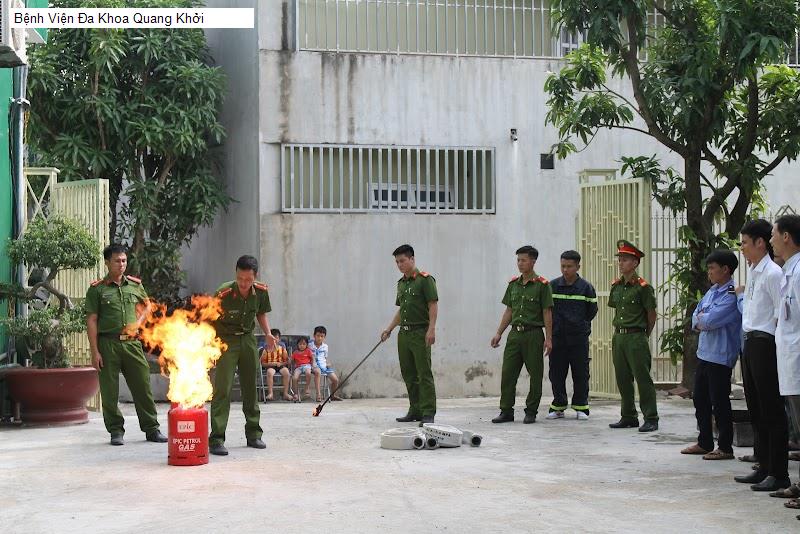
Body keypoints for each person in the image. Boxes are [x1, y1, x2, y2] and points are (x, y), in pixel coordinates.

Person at [85, 243, 167, 446]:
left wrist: (138, 323)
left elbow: (147, 306)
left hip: (132, 345)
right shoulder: (97, 290)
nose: (121, 265)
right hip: (108, 344)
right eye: (117, 261)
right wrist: (95, 352)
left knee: (143, 387)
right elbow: (92, 320)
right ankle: (115, 430)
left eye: (124, 260)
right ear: (107, 263)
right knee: (110, 391)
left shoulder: (135, 285)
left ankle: (151, 428)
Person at [733, 219, 790, 491]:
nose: (742, 248)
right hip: (750, 342)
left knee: (771, 410)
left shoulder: (773, 273)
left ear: (760, 242)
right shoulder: (755, 271)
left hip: (766, 344)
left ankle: (779, 472)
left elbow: (780, 316)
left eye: (745, 243)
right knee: (756, 409)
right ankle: (764, 466)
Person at [209, 255, 275, 457]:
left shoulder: (261, 292)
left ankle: (254, 434)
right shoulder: (224, 292)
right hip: (226, 341)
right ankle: (217, 438)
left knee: (250, 388)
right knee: (223, 389)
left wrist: (268, 334)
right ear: (236, 274)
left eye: (248, 280)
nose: (244, 284)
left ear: (255, 277)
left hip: (247, 340)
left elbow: (261, 313)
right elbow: (209, 318)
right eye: (240, 279)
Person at [680, 250, 741, 460]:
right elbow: (696, 316)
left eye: (712, 268)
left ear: (725, 269)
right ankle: (704, 441)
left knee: (720, 401)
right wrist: (701, 320)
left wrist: (702, 320)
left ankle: (725, 446)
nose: (709, 272)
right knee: (700, 399)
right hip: (705, 353)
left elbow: (709, 321)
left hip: (721, 355)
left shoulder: (731, 294)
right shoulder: (712, 291)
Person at [490, 245, 554, 424]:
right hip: (514, 335)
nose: (520, 263)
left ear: (533, 261)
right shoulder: (513, 285)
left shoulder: (542, 285)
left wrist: (548, 338)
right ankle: (506, 411)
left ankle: (531, 411)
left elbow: (547, 312)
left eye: (523, 260)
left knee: (535, 375)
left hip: (533, 334)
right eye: (518, 260)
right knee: (508, 373)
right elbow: (509, 310)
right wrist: (499, 333)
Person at [380, 244, 439, 426]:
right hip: (403, 334)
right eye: (397, 262)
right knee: (409, 374)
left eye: (403, 261)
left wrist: (432, 328)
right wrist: (389, 329)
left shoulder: (425, 280)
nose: (400, 265)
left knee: (424, 373)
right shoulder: (401, 284)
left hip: (420, 332)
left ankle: (428, 412)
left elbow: (433, 305)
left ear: (412, 259)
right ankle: (415, 409)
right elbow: (401, 311)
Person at [608, 239, 659, 433]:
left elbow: (651, 315)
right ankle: (628, 416)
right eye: (620, 259)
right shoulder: (617, 286)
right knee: (622, 378)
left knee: (642, 378)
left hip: (636, 336)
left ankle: (651, 417)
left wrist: (644, 335)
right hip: (619, 337)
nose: (620, 263)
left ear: (635, 263)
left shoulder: (643, 287)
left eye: (625, 259)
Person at [769, 215, 800, 511]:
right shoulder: (789, 270)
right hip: (790, 362)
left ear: (787, 236)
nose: (771, 240)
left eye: (774, 235)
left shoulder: (799, 271)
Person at [547, 250, 597, 420]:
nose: (565, 270)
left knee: (581, 373)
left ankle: (581, 407)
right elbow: (547, 311)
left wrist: (578, 324)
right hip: (558, 338)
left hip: (578, 339)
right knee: (556, 373)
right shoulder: (552, 286)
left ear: (578, 267)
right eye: (563, 266)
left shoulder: (586, 288)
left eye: (569, 266)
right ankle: (558, 406)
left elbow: (591, 311)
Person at [310, 325, 342, 401]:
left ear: (324, 337)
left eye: (322, 336)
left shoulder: (325, 347)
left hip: (324, 366)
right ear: (314, 336)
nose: (320, 338)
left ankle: (332, 395)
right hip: (314, 366)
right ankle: (318, 394)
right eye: (318, 336)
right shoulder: (310, 345)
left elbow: (325, 358)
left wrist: (328, 363)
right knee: (318, 373)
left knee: (335, 380)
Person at [260, 328, 291, 401]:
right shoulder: (266, 350)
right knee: (269, 372)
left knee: (286, 372)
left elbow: (287, 361)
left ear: (279, 339)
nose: (274, 340)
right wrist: (271, 363)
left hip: (280, 365)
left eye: (276, 338)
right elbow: (263, 363)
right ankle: (271, 393)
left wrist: (281, 363)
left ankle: (285, 393)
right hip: (270, 366)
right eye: (272, 338)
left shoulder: (282, 349)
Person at [291, 336, 318, 402]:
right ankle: (296, 393)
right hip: (298, 367)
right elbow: (291, 360)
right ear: (297, 345)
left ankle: (306, 387)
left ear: (306, 345)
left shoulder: (308, 351)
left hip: (307, 365)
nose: (302, 346)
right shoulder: (295, 352)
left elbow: (312, 358)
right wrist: (289, 362)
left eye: (304, 344)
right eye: (300, 344)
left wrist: (313, 364)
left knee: (308, 373)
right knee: (294, 378)